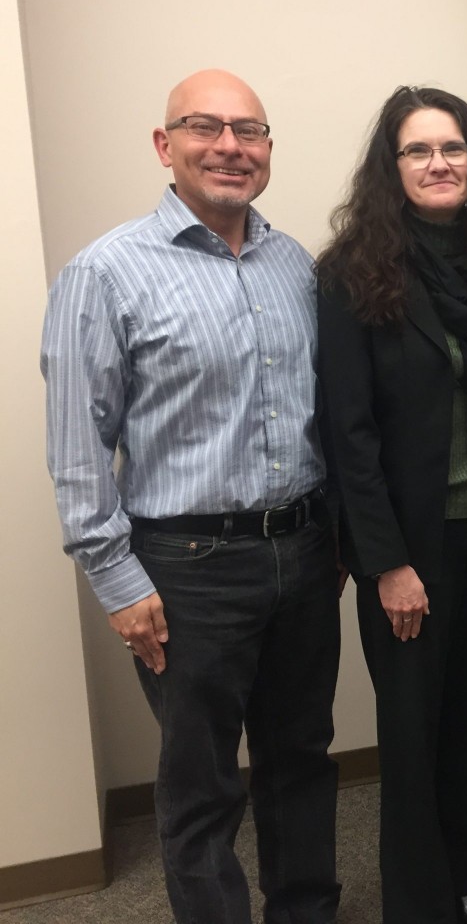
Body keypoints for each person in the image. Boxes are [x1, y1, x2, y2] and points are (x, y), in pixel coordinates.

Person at [41, 69, 341, 924]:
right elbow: (76, 448)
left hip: (304, 552)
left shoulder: (295, 266)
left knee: (301, 757)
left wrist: (335, 544)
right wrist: (117, 581)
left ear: (269, 150)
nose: (229, 147)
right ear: (164, 144)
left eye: (249, 131)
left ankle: (306, 911)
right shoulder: (104, 273)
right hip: (185, 568)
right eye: (205, 127)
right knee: (201, 780)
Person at [315, 86, 467, 924]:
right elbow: (349, 435)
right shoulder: (351, 276)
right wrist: (386, 563)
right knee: (412, 730)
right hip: (409, 545)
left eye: (452, 148)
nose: (438, 163)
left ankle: (460, 877)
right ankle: (416, 904)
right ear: (393, 166)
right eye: (418, 150)